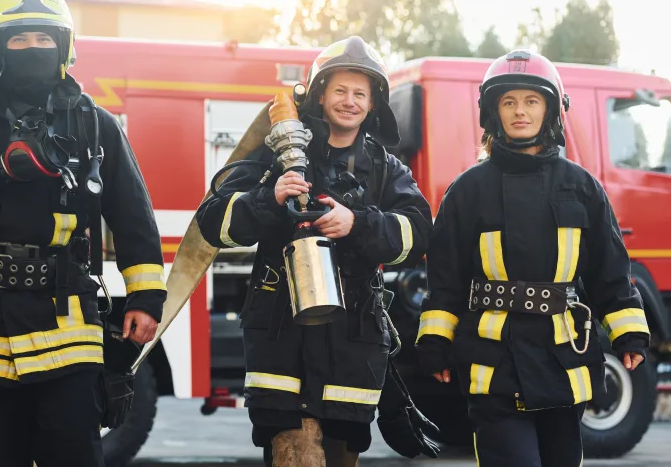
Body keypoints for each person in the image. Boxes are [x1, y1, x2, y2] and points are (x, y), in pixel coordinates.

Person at [0, 0, 167, 466]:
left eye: (43, 39)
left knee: (74, 454)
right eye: (18, 38)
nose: (32, 49)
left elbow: (133, 214)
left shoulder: (94, 125)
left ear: (64, 47)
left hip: (69, 332)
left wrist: (146, 296)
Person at [196, 36, 435, 466]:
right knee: (293, 453)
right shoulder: (276, 156)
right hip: (281, 343)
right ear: (320, 94)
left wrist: (358, 223)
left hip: (350, 351)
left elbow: (419, 232)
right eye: (340, 90)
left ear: (373, 103)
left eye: (360, 93)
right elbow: (213, 221)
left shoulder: (385, 168)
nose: (349, 101)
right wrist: (267, 199)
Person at [416, 49, 650, 467]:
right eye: (508, 102)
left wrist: (628, 332)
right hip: (493, 361)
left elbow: (609, 270)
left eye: (530, 101)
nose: (519, 112)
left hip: (562, 359)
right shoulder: (468, 191)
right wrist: (435, 340)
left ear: (551, 110)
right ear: (493, 113)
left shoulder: (582, 188)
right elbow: (445, 277)